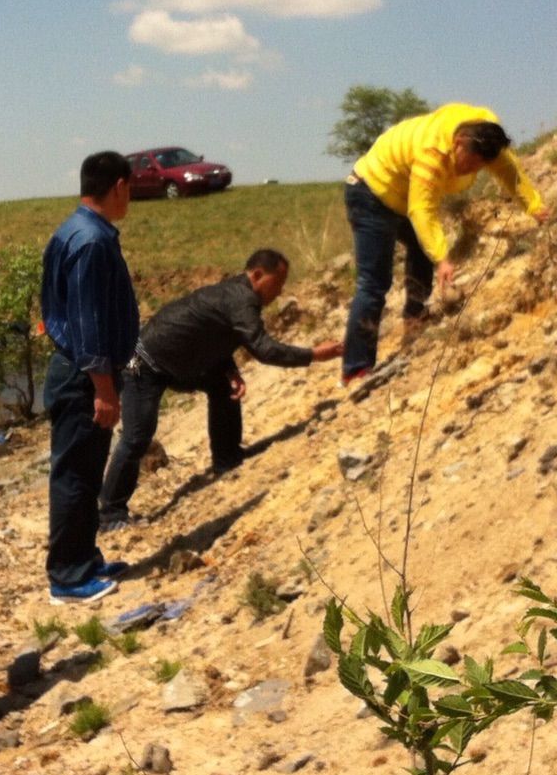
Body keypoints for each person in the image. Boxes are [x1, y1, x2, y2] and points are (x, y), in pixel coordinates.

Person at [99, 248, 342, 527]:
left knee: (222, 385)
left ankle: (227, 458)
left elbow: (214, 333)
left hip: (174, 363)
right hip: (143, 364)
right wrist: (313, 355)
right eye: (278, 282)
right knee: (137, 436)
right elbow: (263, 349)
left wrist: (229, 370)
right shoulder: (242, 299)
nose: (279, 291)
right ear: (258, 274)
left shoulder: (236, 296)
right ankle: (110, 514)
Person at [343, 104, 548, 381]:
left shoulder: (486, 137)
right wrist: (443, 259)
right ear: (458, 142)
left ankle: (415, 319)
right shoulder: (433, 153)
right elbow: (422, 209)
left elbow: (510, 172)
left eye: (479, 167)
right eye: (470, 162)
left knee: (420, 248)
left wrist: (535, 207)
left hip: (401, 196)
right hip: (370, 192)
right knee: (374, 282)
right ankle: (356, 369)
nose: (470, 170)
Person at [40, 150, 140, 602]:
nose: (131, 198)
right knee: (75, 477)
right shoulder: (92, 242)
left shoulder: (77, 231)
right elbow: (87, 321)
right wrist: (104, 388)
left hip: (79, 372)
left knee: (84, 470)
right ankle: (67, 577)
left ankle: (83, 556)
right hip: (83, 377)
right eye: (130, 189)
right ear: (118, 185)